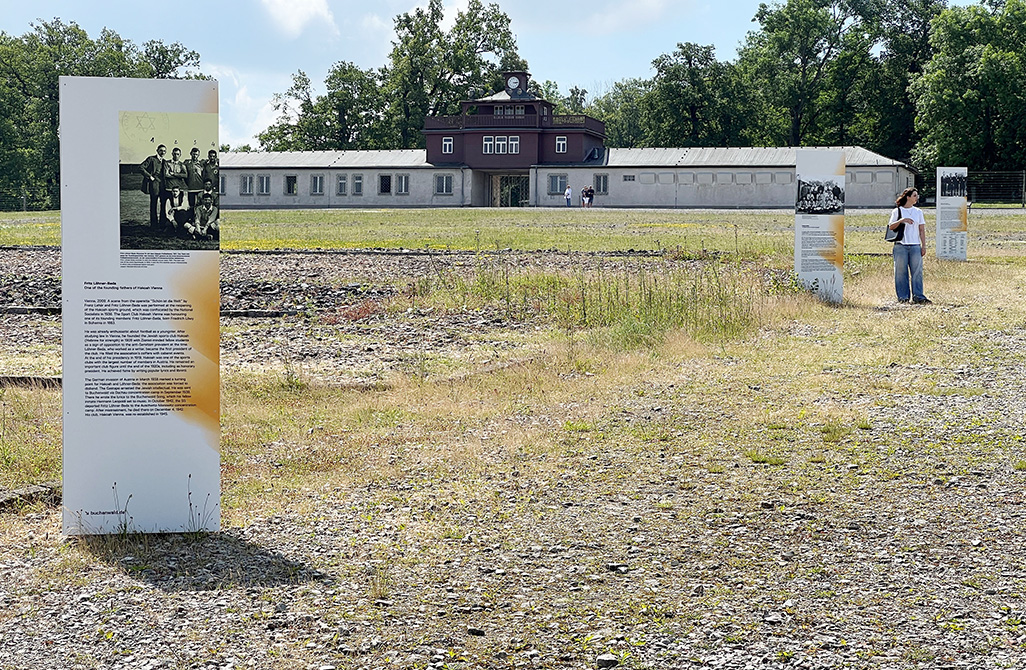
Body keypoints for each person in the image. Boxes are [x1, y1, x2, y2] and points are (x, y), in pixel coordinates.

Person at [888, 187, 931, 304]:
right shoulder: (897, 211)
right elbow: (891, 226)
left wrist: (923, 246)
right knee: (900, 272)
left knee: (917, 272)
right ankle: (903, 297)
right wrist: (902, 220)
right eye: (914, 195)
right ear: (908, 197)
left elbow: (921, 230)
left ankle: (919, 296)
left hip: (915, 246)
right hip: (901, 246)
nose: (917, 198)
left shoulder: (918, 212)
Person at [139, 144, 167, 226]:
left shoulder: (165, 161)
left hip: (163, 185)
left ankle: (162, 223)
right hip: (154, 184)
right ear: (157, 150)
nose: (163, 152)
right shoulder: (151, 159)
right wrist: (150, 176)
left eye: (164, 151)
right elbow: (141, 167)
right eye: (161, 150)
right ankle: (154, 224)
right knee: (154, 203)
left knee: (163, 203)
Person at [184, 147, 206, 213]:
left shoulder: (202, 163)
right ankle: (191, 218)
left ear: (199, 155)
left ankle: (199, 219)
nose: (195, 156)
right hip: (191, 188)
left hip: (200, 188)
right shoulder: (187, 163)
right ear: (190, 154)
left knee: (200, 204)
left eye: (196, 154)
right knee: (191, 205)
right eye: (193, 154)